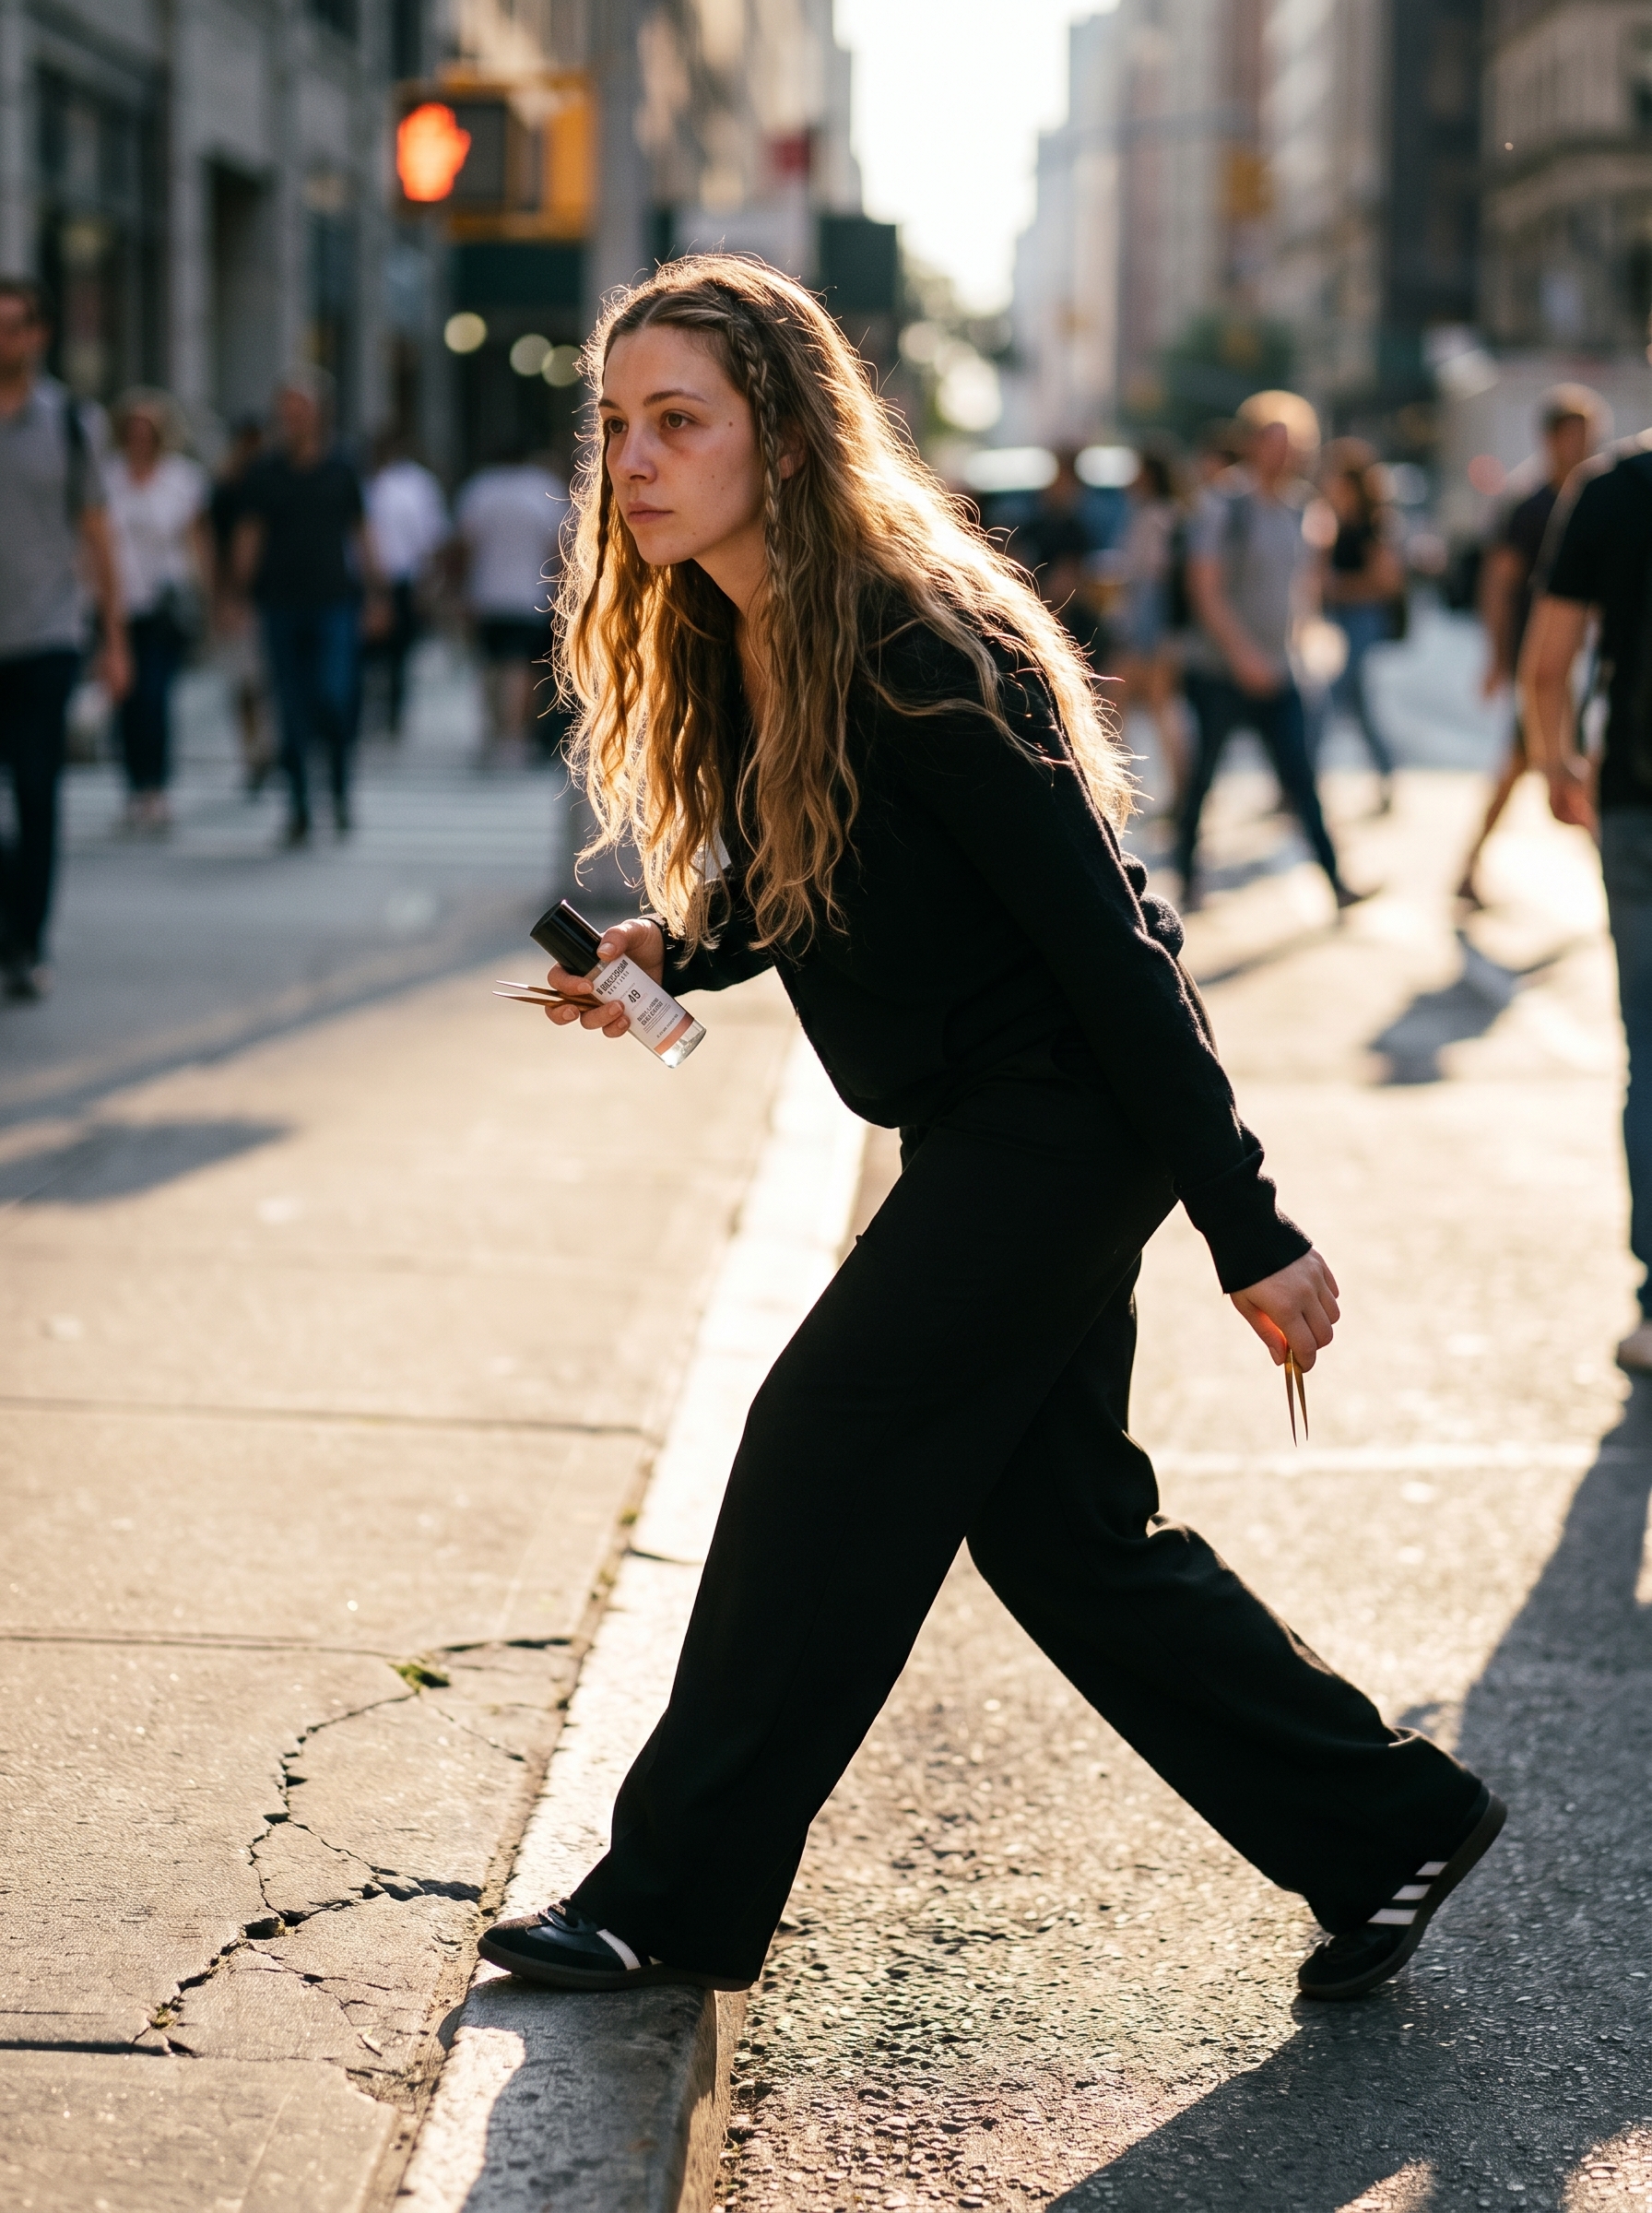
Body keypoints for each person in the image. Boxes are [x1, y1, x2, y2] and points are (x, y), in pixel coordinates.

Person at [473, 255, 1504, 2009]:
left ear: (783, 442)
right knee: (1064, 1539)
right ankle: (1379, 1822)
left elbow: (1111, 947)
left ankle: (667, 1897)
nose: (631, 462)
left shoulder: (904, 638)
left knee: (818, 1445)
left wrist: (1244, 1227)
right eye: (616, 427)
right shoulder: (753, 631)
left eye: (677, 423)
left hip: (1056, 1125)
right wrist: (682, 947)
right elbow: (834, 883)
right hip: (984, 1127)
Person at [1522, 402, 1652, 1374]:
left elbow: (1547, 664)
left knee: (1649, 1052)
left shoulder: (1609, 492)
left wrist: (1556, 764)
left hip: (1638, 799)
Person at [1174, 390, 1366, 914]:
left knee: (1302, 778)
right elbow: (1205, 588)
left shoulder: (1303, 508)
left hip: (1281, 670)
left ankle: (1336, 881)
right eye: (1272, 441)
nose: (1283, 454)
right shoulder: (1223, 504)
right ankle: (1188, 879)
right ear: (1253, 443)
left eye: (1294, 444)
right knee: (1203, 779)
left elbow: (1305, 588)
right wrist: (1242, 658)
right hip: (1220, 671)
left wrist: (1306, 646)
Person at [0, 277, 130, 1000]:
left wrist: (115, 639)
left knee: (38, 794)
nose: (4, 339)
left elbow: (97, 532)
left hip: (47, 634)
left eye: (15, 326)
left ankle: (30, 941)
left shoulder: (69, 422)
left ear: (38, 335)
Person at [1457, 386, 1602, 906]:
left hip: (1584, 663)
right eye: (1572, 434)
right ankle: (1615, 869)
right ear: (1549, 439)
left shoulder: (1597, 496)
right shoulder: (1529, 506)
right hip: (1538, 660)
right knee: (1536, 763)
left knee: (1527, 765)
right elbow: (1498, 585)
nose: (1581, 444)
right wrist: (1499, 657)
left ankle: (1469, 863)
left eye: (1587, 434)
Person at [234, 366, 384, 845]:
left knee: (333, 698)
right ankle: (299, 808)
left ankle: (338, 793)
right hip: (279, 602)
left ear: (320, 414)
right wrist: (237, 594)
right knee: (290, 708)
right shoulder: (265, 472)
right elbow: (248, 536)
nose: (292, 419)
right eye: (286, 411)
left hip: (334, 601)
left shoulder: (342, 468)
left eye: (301, 410)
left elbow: (361, 532)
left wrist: (377, 592)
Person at [104, 387, 211, 834]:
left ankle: (156, 787)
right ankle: (132, 784)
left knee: (156, 696)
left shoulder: (181, 479)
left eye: (148, 430)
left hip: (164, 603)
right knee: (124, 699)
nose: (140, 437)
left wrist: (205, 593)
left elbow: (196, 540)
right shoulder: (107, 477)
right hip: (118, 601)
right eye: (133, 429)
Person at [454, 441, 569, 763]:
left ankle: (493, 730)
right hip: (530, 592)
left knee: (490, 664)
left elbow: (464, 545)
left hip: (487, 592)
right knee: (521, 667)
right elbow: (558, 546)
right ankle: (514, 736)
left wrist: (461, 590)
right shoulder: (543, 490)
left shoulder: (480, 490)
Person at [1316, 438, 1404, 811]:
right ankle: (1386, 770)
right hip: (1337, 621)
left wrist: (1340, 587)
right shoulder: (1333, 522)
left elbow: (1386, 581)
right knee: (1355, 704)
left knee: (1330, 701)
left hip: (1362, 619)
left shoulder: (1370, 525)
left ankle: (1299, 777)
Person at [1116, 446, 1190, 811]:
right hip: (1158, 627)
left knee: (1136, 703)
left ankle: (1124, 786)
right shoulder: (1168, 515)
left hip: (1151, 627)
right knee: (1159, 709)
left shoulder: (1154, 518)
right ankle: (1179, 791)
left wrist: (1140, 633)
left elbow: (1151, 580)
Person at [364, 432, 448, 737]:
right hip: (372, 579)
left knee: (397, 652)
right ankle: (373, 711)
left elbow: (428, 535)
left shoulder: (414, 484)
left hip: (401, 578)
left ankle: (391, 712)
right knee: (372, 652)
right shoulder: (368, 482)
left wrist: (427, 581)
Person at [208, 416, 275, 795]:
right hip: (238, 597)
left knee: (267, 683)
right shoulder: (226, 489)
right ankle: (254, 751)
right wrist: (222, 597)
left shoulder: (274, 483)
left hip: (275, 596)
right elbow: (215, 548)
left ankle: (267, 746)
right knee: (244, 683)